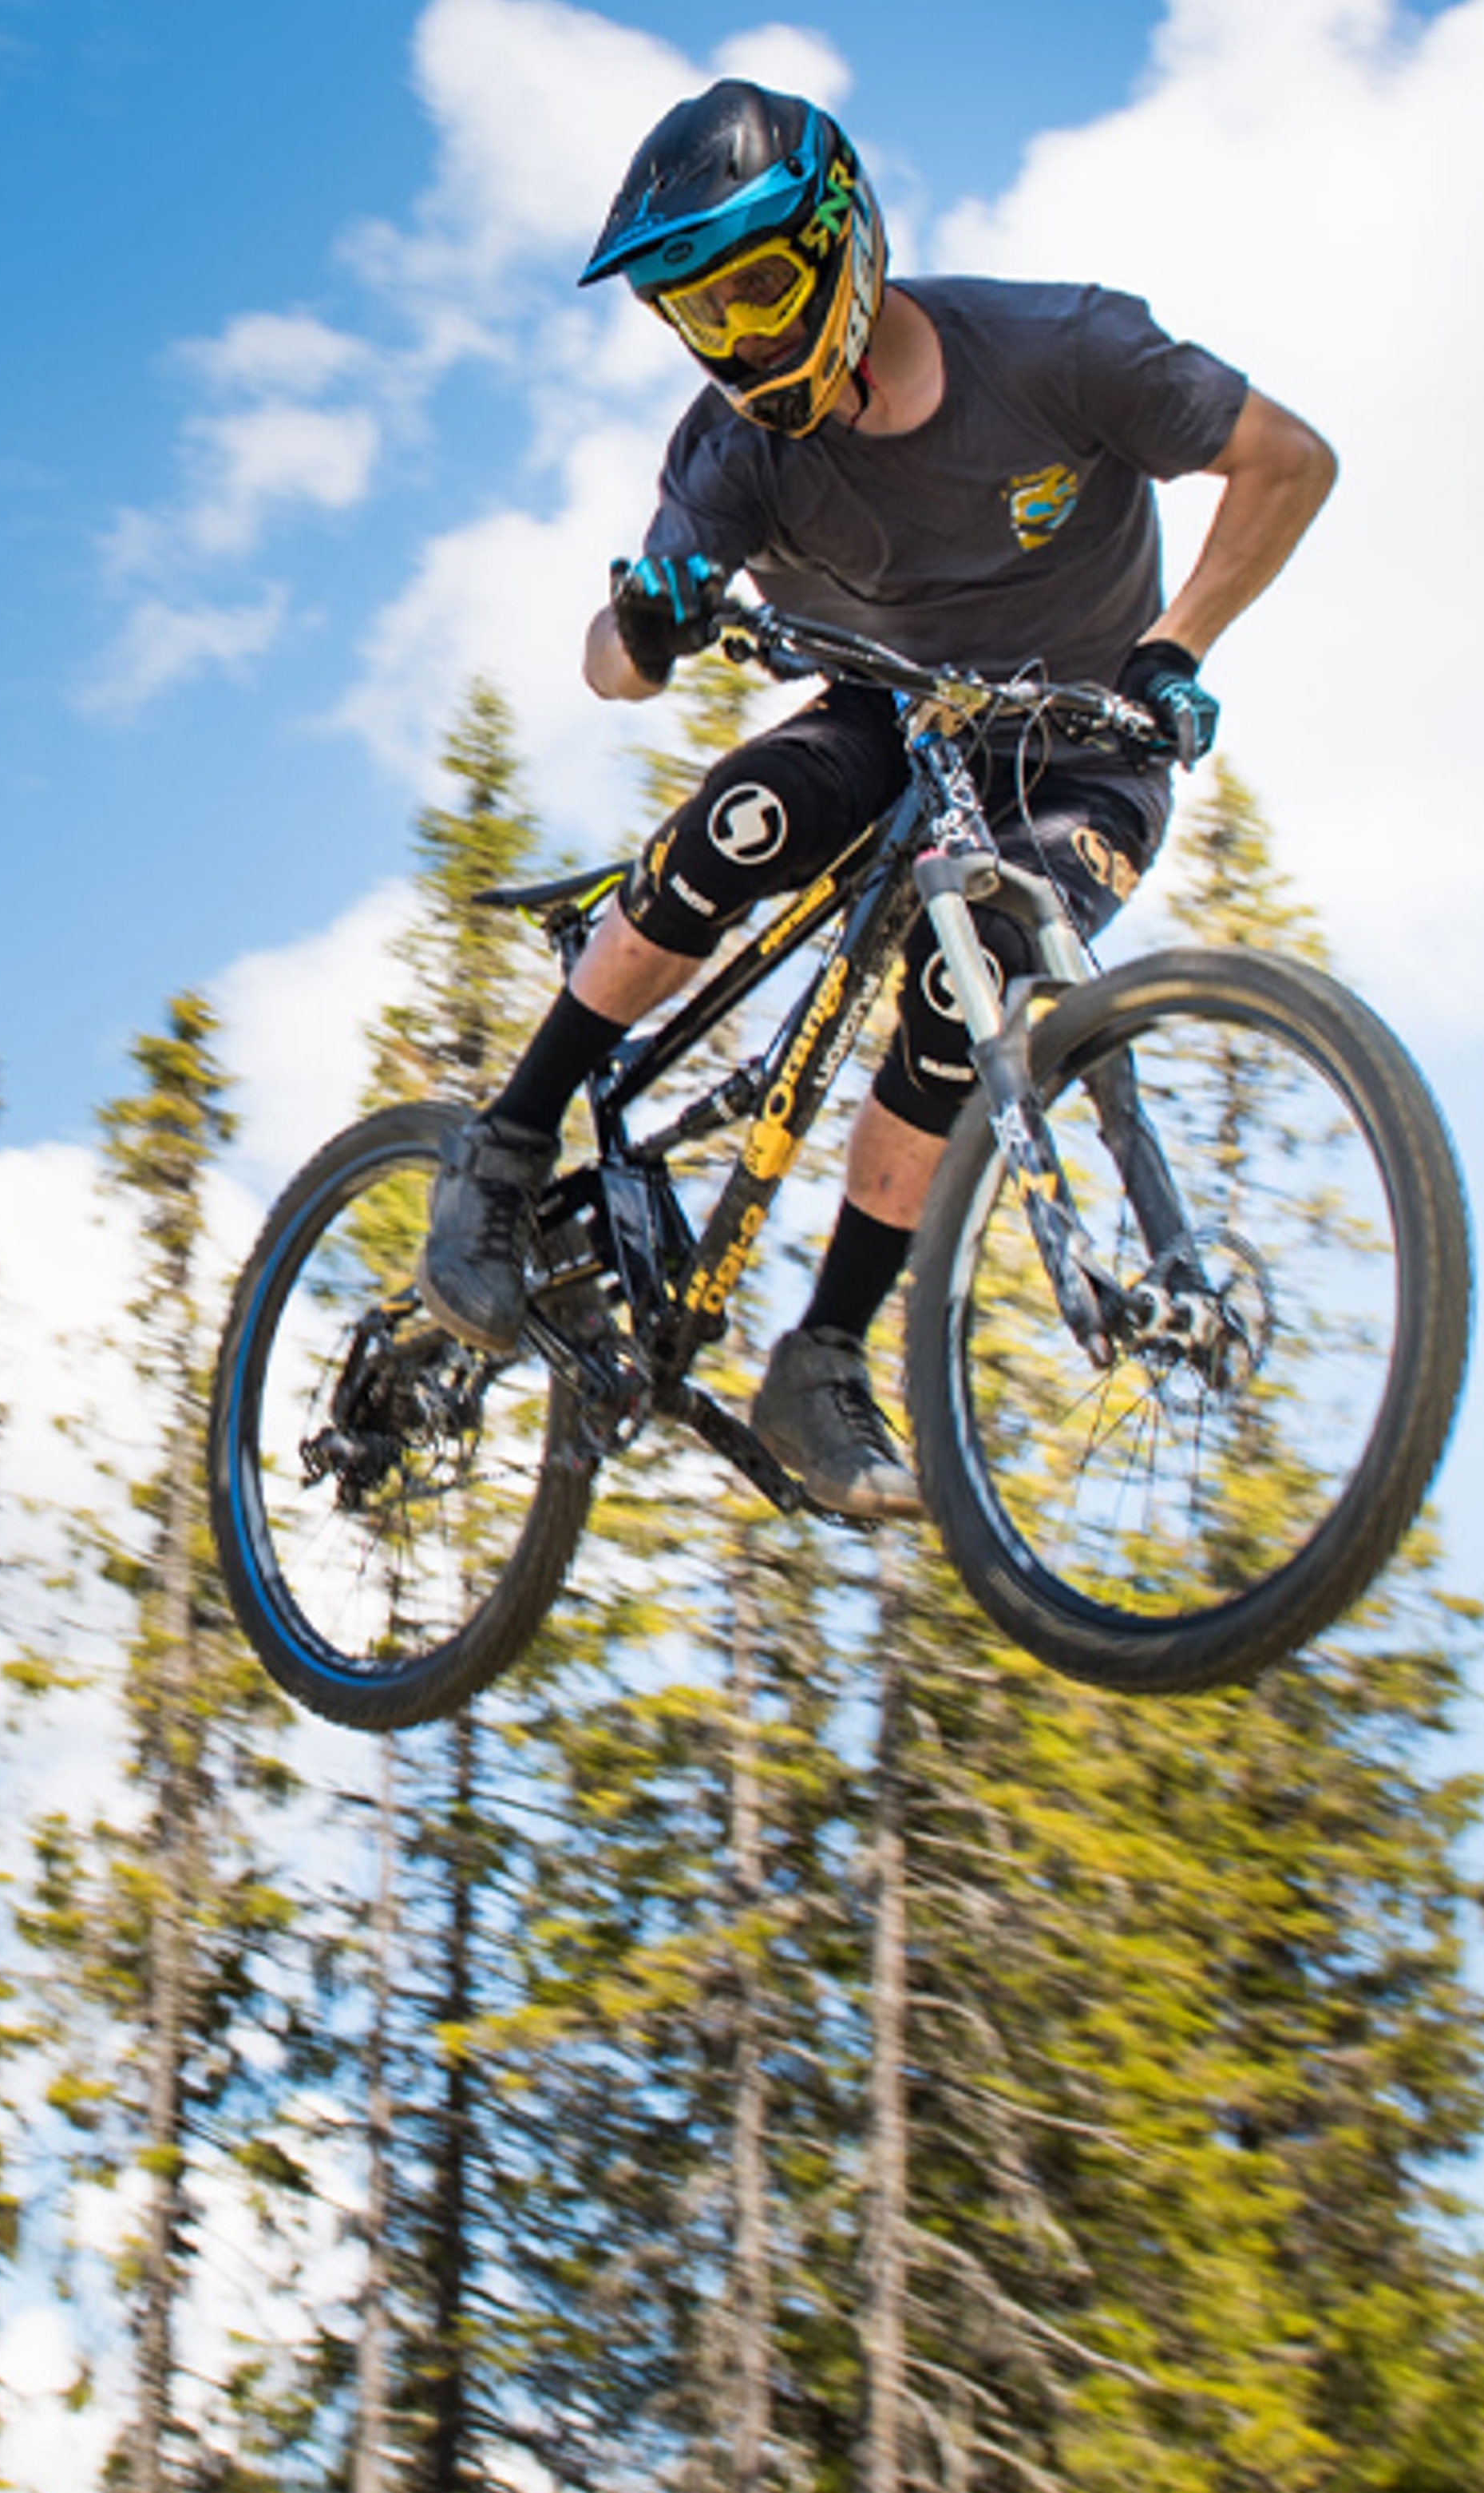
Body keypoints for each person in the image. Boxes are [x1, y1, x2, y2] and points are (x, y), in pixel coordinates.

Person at [414, 75, 1338, 1520]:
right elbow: (613, 667)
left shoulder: (1066, 348)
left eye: (756, 294)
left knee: (972, 996)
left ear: (844, 238)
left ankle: (825, 1353)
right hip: (888, 720)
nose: (734, 345)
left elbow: (1287, 461)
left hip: (1085, 750)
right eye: (697, 319)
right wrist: (643, 626)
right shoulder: (739, 450)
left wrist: (1175, 651)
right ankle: (506, 1148)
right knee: (745, 825)